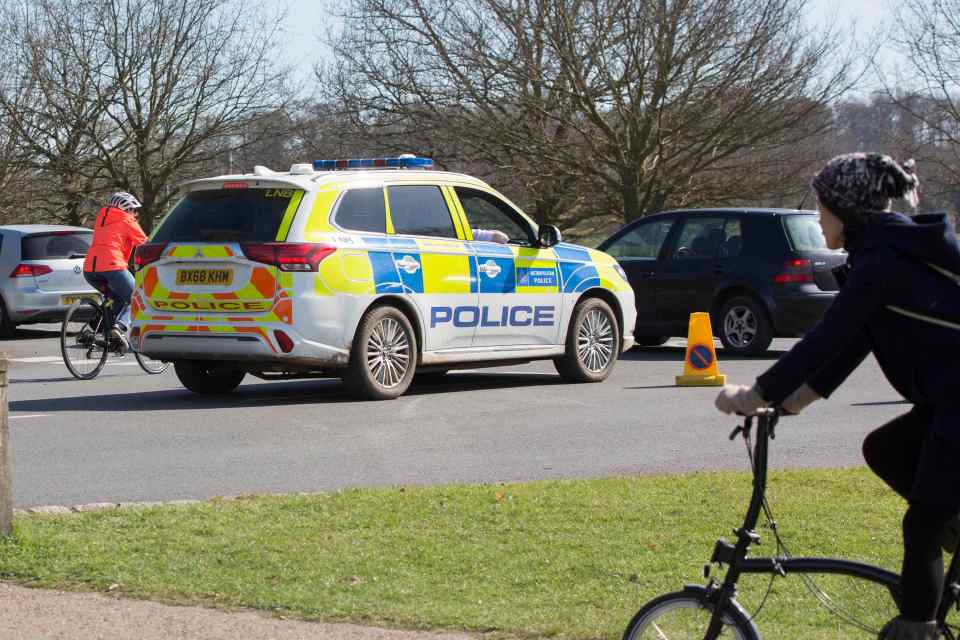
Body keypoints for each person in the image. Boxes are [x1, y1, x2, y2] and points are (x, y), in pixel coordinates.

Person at [715, 153, 960, 640]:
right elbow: (854, 345)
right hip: (946, 400)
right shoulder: (886, 254)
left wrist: (757, 392)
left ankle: (917, 628)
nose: (818, 218)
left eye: (823, 208)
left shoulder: (884, 260)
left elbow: (825, 339)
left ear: (847, 213)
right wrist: (791, 402)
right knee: (885, 449)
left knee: (923, 522)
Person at [83, 192, 148, 343]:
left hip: (90, 270)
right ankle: (120, 327)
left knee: (116, 298)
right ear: (126, 209)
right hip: (112, 266)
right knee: (137, 299)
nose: (135, 213)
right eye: (133, 209)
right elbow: (145, 244)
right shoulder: (127, 220)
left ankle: (104, 335)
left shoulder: (101, 218)